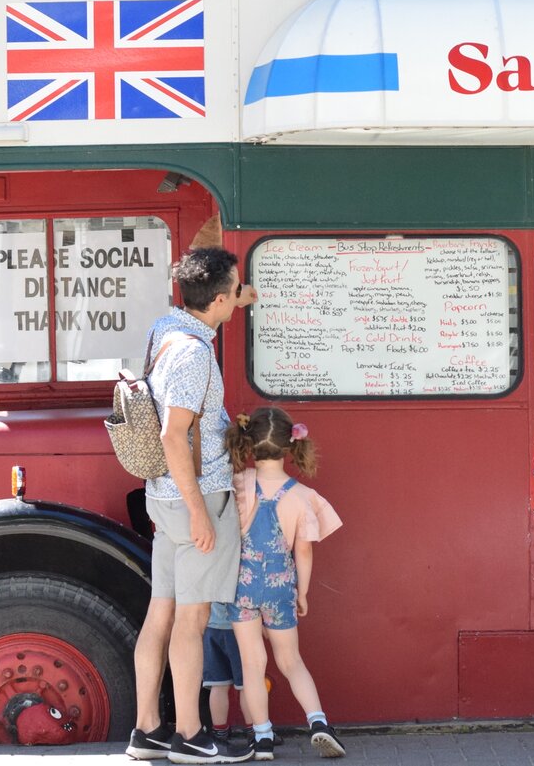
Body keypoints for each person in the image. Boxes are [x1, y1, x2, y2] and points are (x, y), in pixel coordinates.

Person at [127, 246, 256, 765]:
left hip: (162, 502)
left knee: (160, 614)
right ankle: (189, 736)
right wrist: (202, 512)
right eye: (236, 290)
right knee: (191, 621)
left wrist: (240, 298)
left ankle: (147, 731)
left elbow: (223, 299)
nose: (239, 296)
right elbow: (174, 435)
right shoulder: (195, 356)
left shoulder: (167, 328)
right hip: (193, 503)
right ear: (218, 299)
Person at [226, 407, 345, 760]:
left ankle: (262, 737)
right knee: (291, 660)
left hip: (242, 587)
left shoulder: (238, 484)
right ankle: (319, 723)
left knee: (252, 665)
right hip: (280, 589)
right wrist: (302, 593)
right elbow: (303, 553)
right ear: (289, 449)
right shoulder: (302, 496)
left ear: (249, 445)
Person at [201, 602, 251, 742]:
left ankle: (220, 732)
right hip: (238, 627)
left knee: (218, 685)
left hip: (211, 627)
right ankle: (254, 730)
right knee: (247, 685)